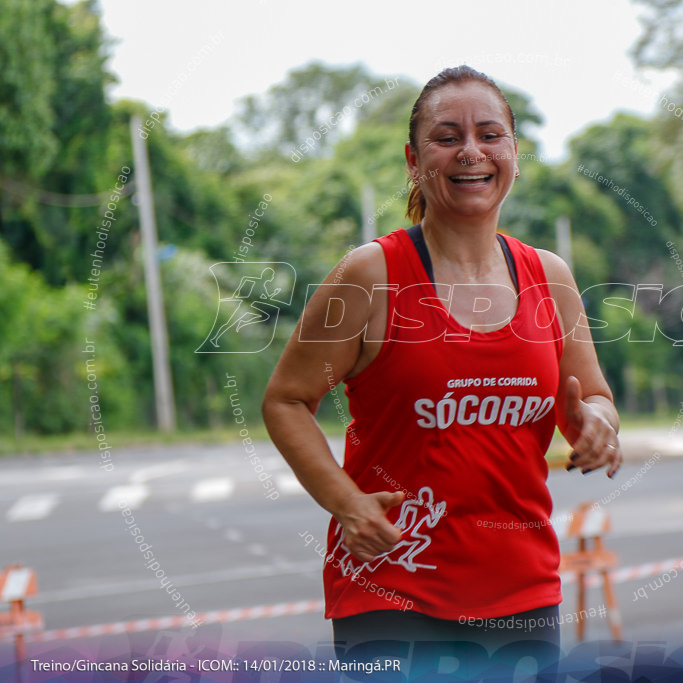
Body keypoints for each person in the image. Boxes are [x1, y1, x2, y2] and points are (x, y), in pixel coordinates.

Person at [262, 66, 621, 666]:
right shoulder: (370, 276)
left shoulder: (550, 278)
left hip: (523, 592)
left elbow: (594, 400)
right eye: (447, 137)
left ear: (512, 151)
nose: (471, 152)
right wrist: (346, 503)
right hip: (393, 590)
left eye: (490, 134)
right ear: (414, 159)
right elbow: (286, 399)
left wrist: (597, 424)